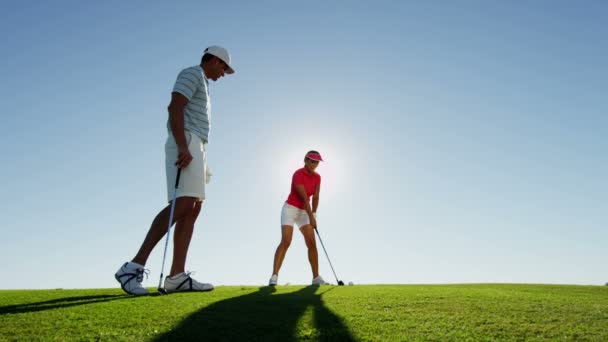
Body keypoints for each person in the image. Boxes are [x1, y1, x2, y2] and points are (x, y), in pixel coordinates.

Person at [115, 46, 235, 295]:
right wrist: (183, 145)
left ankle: (176, 276)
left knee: (193, 207)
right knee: (182, 205)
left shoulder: (204, 82)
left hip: (197, 143)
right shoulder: (192, 73)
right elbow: (175, 107)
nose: (223, 73)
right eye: (223, 67)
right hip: (186, 140)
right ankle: (133, 266)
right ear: (213, 60)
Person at [269, 151, 331, 286]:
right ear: (306, 160)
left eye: (317, 162)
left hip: (305, 212)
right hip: (290, 209)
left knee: (312, 243)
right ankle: (274, 276)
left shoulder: (317, 177)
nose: (315, 164)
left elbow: (315, 197)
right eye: (312, 161)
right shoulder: (298, 174)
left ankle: (316, 278)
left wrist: (314, 214)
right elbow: (304, 198)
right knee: (286, 241)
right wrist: (311, 217)